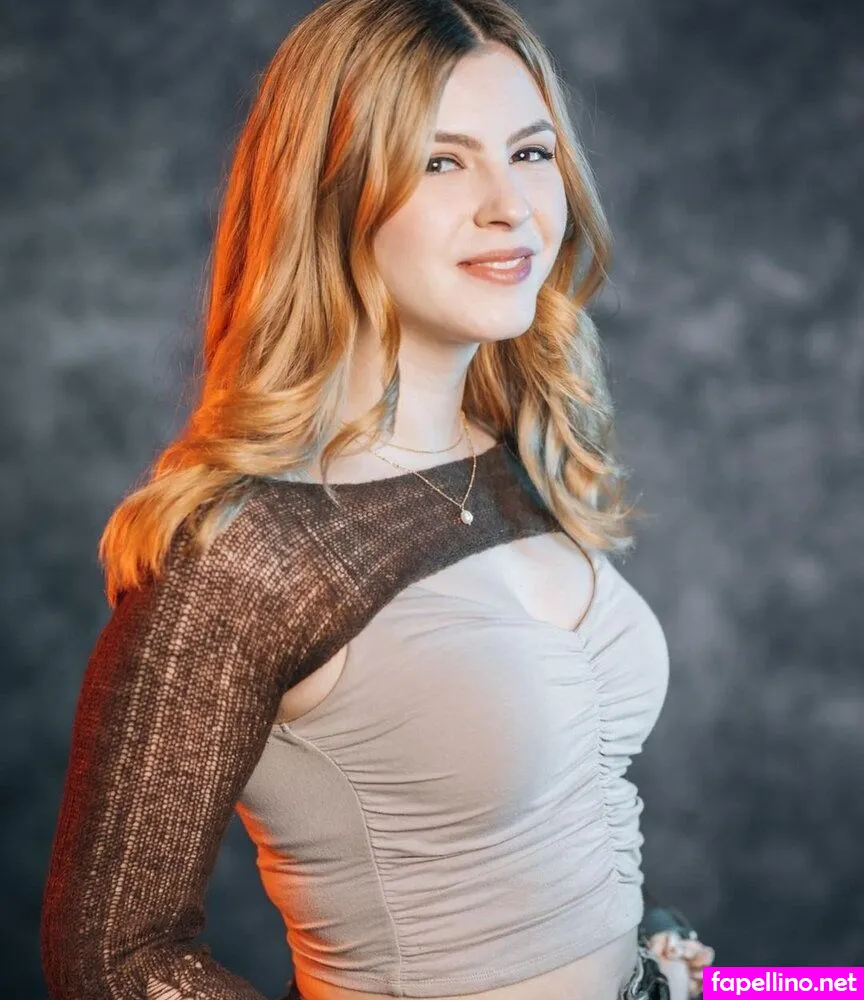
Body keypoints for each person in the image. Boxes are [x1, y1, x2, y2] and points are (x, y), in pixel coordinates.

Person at [39, 1, 714, 999]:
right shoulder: (249, 552)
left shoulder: (514, 458)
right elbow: (113, 960)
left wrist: (670, 960)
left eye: (530, 153)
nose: (510, 207)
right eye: (441, 162)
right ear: (331, 195)